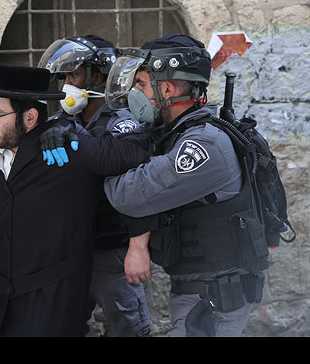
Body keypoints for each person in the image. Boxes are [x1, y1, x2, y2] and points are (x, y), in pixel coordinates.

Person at [101, 34, 269, 337]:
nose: (135, 93)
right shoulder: (174, 134)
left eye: (140, 84)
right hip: (198, 293)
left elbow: (127, 196)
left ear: (166, 88)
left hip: (214, 302)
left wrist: (111, 156)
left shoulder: (203, 145)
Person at [0, 64, 150, 337]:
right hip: (7, 292)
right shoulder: (0, 155)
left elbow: (137, 155)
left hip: (54, 299)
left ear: (29, 117)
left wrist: (72, 130)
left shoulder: (66, 149)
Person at [38, 35, 150, 337]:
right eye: (63, 77)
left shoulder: (121, 119)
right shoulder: (62, 120)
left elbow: (127, 164)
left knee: (128, 326)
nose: (65, 84)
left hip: (109, 246)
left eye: (73, 75)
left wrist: (75, 137)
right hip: (71, 247)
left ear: (96, 75)